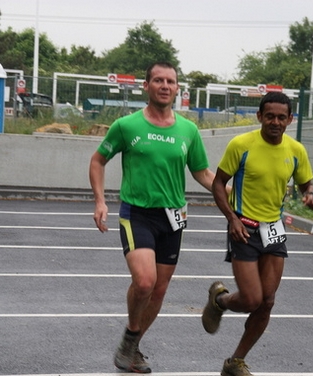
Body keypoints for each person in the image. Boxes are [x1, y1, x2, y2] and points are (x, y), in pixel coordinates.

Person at [89, 61, 219, 373]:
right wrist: (100, 200)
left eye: (170, 81)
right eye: (157, 80)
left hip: (173, 217)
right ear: (146, 86)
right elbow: (98, 160)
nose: (164, 85)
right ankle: (132, 336)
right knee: (145, 282)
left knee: (159, 290)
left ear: (177, 89)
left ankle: (130, 346)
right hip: (137, 214)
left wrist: (231, 196)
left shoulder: (188, 130)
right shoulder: (127, 126)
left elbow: (201, 172)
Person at [202, 91, 313, 376]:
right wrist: (231, 218)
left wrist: (311, 193)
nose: (275, 122)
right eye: (270, 116)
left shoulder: (295, 150)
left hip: (274, 229)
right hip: (244, 227)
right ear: (259, 117)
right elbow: (219, 184)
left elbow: (306, 181)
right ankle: (220, 301)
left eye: (281, 117)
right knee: (252, 299)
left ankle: (235, 362)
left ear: (290, 119)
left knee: (267, 301)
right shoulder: (241, 145)